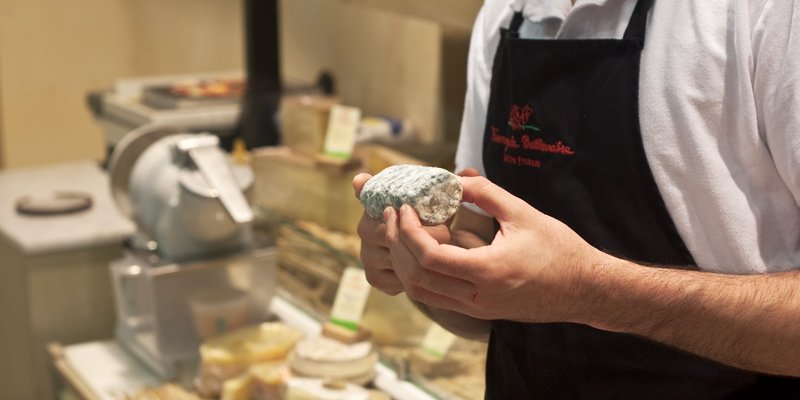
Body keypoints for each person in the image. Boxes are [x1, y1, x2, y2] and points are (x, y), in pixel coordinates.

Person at [354, 0, 800, 398]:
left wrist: (590, 292)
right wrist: (427, 264)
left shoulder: (762, 13)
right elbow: (484, 292)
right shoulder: (504, 13)